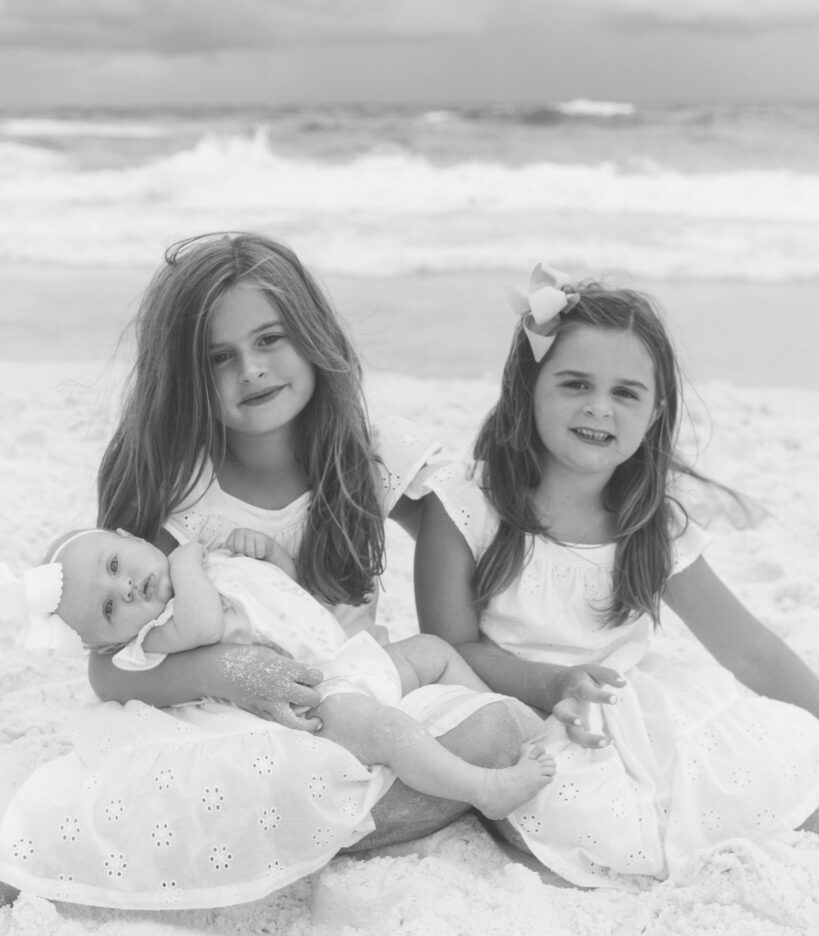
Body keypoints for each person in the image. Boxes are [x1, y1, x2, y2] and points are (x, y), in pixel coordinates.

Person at [0, 233, 548, 911]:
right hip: (246, 718)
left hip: (353, 678)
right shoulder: (181, 491)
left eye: (270, 340)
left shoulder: (362, 449)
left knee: (488, 728)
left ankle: (364, 810)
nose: (252, 370)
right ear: (186, 377)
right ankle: (351, 820)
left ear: (311, 334)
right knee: (160, 790)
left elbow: (465, 524)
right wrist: (226, 672)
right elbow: (110, 666)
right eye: (219, 358)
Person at [415, 264, 819, 889]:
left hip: (628, 714)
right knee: (573, 805)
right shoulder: (466, 508)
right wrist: (554, 684)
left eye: (626, 393)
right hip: (518, 711)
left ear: (655, 414)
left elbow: (753, 651)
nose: (598, 408)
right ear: (528, 391)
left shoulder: (650, 527)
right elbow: (449, 649)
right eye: (575, 384)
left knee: (780, 755)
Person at [14, 526, 554, 822]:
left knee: (432, 649)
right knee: (388, 732)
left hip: (341, 662)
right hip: (313, 701)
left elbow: (291, 603)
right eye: (110, 608)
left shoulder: (208, 573)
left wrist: (269, 556)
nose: (127, 588)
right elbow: (205, 627)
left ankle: (523, 722)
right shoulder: (156, 634)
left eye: (115, 566)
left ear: (130, 537)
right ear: (109, 642)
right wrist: (185, 563)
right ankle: (486, 789)